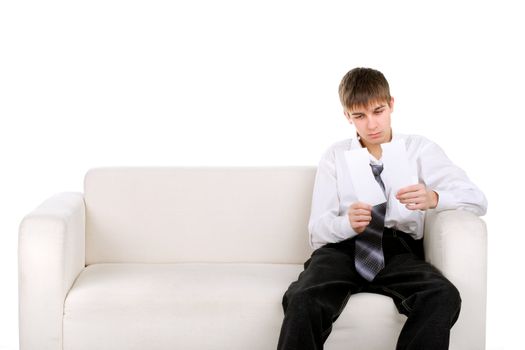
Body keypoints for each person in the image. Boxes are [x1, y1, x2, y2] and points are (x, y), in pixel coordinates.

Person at [276, 67, 488, 350]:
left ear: (391, 105)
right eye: (359, 116)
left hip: (396, 248)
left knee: (442, 295)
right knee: (303, 298)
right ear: (347, 116)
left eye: (378, 111)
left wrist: (433, 198)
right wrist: (347, 223)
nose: (372, 125)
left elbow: (477, 199)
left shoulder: (419, 149)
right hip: (343, 248)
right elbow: (317, 232)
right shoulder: (336, 156)